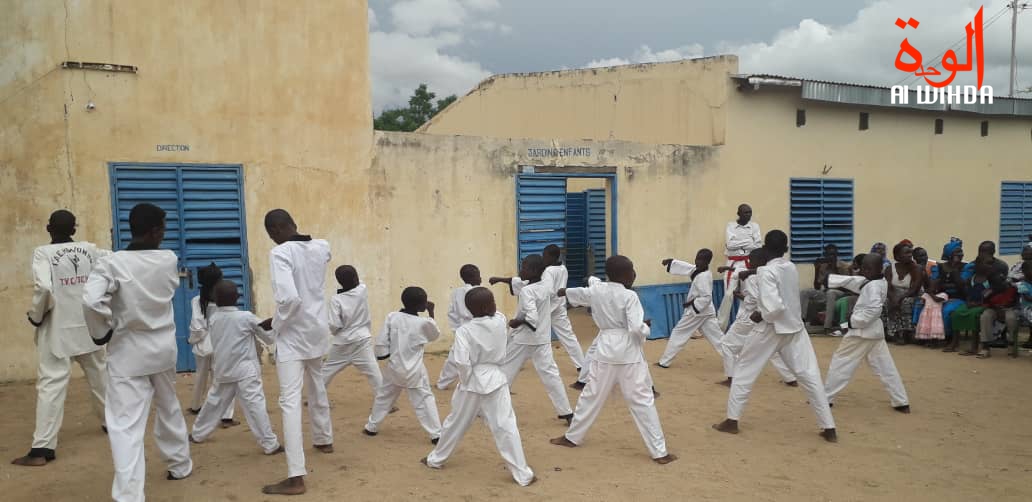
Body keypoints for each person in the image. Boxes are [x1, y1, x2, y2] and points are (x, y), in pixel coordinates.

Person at [82, 203, 192, 501]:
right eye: (164, 229)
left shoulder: (111, 263)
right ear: (155, 230)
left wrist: (101, 331)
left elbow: (92, 302)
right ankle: (180, 464)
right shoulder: (168, 259)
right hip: (163, 350)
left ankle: (130, 495)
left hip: (128, 352)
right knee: (169, 407)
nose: (164, 234)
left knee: (125, 426)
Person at [550, 256, 678, 464]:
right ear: (622, 275)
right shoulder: (629, 296)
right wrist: (646, 327)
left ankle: (572, 437)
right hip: (628, 353)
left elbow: (583, 294)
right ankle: (659, 452)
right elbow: (636, 328)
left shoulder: (599, 289)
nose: (634, 274)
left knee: (590, 395)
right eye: (631, 270)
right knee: (642, 401)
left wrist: (564, 292)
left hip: (605, 349)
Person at [713, 230, 837, 443]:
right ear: (786, 249)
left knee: (744, 371)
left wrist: (759, 314)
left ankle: (732, 421)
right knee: (810, 376)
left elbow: (774, 307)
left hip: (770, 329)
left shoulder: (765, 272)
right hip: (795, 329)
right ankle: (829, 427)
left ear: (765, 249)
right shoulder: (790, 267)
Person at [13, 210, 109, 467]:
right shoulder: (91, 250)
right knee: (100, 376)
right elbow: (111, 270)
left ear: (48, 228)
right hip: (89, 327)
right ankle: (112, 423)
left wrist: (36, 315)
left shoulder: (43, 253)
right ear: (74, 229)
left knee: (51, 385)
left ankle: (43, 448)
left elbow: (44, 288)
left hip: (57, 329)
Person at [421, 287, 536, 486]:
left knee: (455, 422)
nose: (496, 305)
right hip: (496, 379)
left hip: (473, 380)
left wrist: (466, 381)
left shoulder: (465, 331)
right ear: (486, 307)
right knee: (505, 425)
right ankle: (523, 474)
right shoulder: (499, 321)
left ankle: (436, 459)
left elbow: (462, 363)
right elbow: (496, 315)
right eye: (492, 301)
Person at [261, 209, 334, 496]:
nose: (272, 239)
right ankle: (324, 438)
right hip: (316, 329)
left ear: (277, 230)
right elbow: (321, 256)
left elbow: (290, 299)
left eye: (271, 234)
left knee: (289, 401)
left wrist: (276, 325)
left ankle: (295, 477)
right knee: (316, 384)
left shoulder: (280, 254)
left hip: (292, 335)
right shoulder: (321, 246)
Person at [190, 280, 281, 455]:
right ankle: (270, 444)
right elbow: (267, 336)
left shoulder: (214, 318)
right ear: (238, 298)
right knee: (255, 406)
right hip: (245, 371)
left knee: (213, 403)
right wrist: (273, 322)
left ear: (215, 299)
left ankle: (198, 434)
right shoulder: (245, 317)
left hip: (223, 369)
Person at [489, 255, 574, 424]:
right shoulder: (545, 285)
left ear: (534, 271)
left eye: (524, 267)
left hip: (523, 339)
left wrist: (517, 321)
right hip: (542, 339)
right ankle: (566, 411)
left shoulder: (528, 291)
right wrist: (501, 279)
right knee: (551, 375)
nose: (521, 270)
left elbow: (532, 318)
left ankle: (489, 408)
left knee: (505, 372)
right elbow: (523, 285)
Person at [824, 255, 911, 413]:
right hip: (874, 334)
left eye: (866, 268)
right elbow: (856, 282)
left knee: (841, 362)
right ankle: (901, 401)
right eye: (862, 267)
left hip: (861, 333)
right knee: (886, 368)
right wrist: (831, 280)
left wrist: (852, 321)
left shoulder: (873, 287)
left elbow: (873, 311)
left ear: (877, 269)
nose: (862, 270)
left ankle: (825, 398)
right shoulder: (878, 281)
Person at [364, 287, 442, 442]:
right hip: (414, 371)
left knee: (384, 397)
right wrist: (431, 313)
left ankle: (371, 427)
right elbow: (434, 334)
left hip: (394, 367)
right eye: (425, 302)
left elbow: (381, 342)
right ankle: (436, 434)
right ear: (421, 306)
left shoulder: (392, 317)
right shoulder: (423, 322)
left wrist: (383, 356)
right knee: (424, 401)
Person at [719, 248, 797, 387]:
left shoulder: (752, 278)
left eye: (750, 260)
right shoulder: (770, 273)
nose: (748, 262)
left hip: (749, 317)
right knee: (771, 349)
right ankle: (790, 378)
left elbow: (754, 299)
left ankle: (732, 378)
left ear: (754, 261)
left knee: (727, 345)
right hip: (764, 317)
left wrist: (740, 296)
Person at [656, 249, 734, 383]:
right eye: (697, 259)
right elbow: (688, 268)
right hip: (707, 312)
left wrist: (692, 304)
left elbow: (706, 297)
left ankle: (664, 361)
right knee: (718, 339)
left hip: (697, 312)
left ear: (708, 262)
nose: (697, 262)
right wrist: (672, 262)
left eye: (701, 260)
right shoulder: (700, 270)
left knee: (678, 332)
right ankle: (734, 363)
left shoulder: (704, 277)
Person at [187, 263, 238, 429]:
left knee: (200, 376)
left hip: (203, 346)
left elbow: (197, 326)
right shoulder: (225, 299)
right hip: (222, 345)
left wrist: (194, 339)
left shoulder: (197, 300)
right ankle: (226, 416)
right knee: (223, 379)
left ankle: (196, 406)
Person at [323, 265, 384, 399]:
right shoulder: (362, 289)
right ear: (356, 277)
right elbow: (357, 283)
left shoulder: (336, 300)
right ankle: (384, 402)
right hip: (362, 340)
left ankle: (315, 398)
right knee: (374, 372)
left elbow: (334, 324)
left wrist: (338, 332)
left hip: (342, 342)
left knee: (326, 371)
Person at [716, 204, 762, 330]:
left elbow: (758, 246)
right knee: (728, 294)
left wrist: (739, 244)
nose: (749, 215)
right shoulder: (731, 226)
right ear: (739, 213)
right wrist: (748, 242)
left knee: (747, 294)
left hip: (749, 263)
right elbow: (729, 245)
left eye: (750, 212)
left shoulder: (755, 226)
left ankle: (744, 324)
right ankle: (720, 326)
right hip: (733, 263)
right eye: (746, 212)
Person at [437, 264, 481, 390]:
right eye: (479, 275)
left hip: (463, 328)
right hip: (480, 326)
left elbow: (452, 313)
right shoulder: (481, 291)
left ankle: (442, 383)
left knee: (455, 357)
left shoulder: (456, 293)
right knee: (483, 356)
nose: (480, 278)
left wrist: (456, 329)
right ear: (473, 277)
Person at [798, 244, 852, 335]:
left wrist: (835, 271)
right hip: (825, 292)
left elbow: (847, 286)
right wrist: (816, 269)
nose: (831, 257)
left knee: (831, 293)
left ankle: (827, 327)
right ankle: (801, 321)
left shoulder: (843, 266)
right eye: (828, 255)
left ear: (836, 255)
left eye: (833, 255)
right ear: (825, 255)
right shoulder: (823, 266)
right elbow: (817, 287)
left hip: (840, 293)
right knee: (805, 292)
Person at [884, 242, 923, 345]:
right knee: (884, 301)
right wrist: (893, 298)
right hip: (894, 294)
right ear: (897, 256)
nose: (910, 255)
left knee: (905, 302)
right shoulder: (889, 268)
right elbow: (887, 286)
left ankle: (905, 333)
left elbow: (914, 289)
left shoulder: (917, 268)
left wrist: (899, 298)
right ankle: (889, 331)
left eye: (910, 252)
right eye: (906, 253)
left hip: (912, 294)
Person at [936, 240, 968, 353]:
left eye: (961, 252)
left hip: (959, 298)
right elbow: (936, 284)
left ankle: (950, 338)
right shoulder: (940, 267)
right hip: (941, 296)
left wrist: (954, 269)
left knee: (947, 310)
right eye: (957, 252)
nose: (960, 255)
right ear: (949, 254)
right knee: (923, 305)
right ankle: (930, 336)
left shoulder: (966, 267)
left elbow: (961, 284)